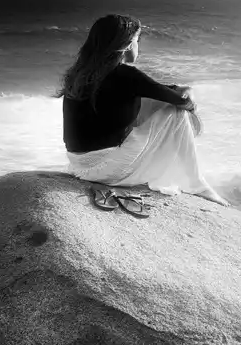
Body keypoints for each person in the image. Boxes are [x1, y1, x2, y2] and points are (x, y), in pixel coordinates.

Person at [58, 14, 228, 206]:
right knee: (176, 112)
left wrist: (177, 92)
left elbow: (156, 90)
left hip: (78, 166)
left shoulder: (78, 74)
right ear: (127, 44)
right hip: (108, 169)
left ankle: (193, 181)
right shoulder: (126, 75)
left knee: (149, 101)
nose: (139, 46)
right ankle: (197, 184)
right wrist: (190, 99)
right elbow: (182, 102)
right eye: (138, 41)